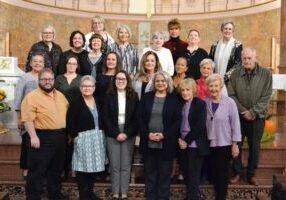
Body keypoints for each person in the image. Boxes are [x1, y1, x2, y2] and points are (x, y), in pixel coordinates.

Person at [21, 68, 69, 200]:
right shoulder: (31, 97)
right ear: (39, 80)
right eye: (44, 79)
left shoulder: (60, 95)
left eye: (50, 79)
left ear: (54, 80)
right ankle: (33, 197)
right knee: (37, 171)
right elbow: (27, 119)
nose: (47, 82)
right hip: (41, 137)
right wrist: (33, 136)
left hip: (59, 138)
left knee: (56, 170)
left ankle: (54, 195)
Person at [228, 48, 272, 186]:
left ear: (255, 58)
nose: (246, 61)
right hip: (239, 117)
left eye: (249, 58)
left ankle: (251, 174)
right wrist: (243, 111)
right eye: (244, 58)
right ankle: (237, 172)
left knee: (254, 146)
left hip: (257, 117)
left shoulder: (266, 74)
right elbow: (231, 95)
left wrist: (253, 112)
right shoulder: (235, 74)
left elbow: (266, 97)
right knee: (237, 144)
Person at [138, 70, 181, 200]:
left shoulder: (174, 99)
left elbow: (177, 122)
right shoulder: (147, 97)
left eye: (163, 81)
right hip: (148, 142)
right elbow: (139, 118)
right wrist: (147, 134)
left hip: (166, 143)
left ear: (168, 83)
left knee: (164, 174)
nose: (160, 83)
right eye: (157, 81)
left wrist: (164, 135)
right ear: (154, 83)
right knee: (150, 174)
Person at [67, 75, 105, 200]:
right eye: (84, 86)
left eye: (90, 86)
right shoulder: (76, 102)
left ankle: (90, 193)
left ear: (94, 88)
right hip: (83, 139)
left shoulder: (98, 100)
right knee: (83, 170)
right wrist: (74, 136)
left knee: (93, 169)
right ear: (80, 88)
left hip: (97, 138)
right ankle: (83, 196)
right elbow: (70, 121)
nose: (87, 88)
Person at [103, 70, 139, 199]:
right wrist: (116, 133)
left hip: (128, 132)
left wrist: (126, 133)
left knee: (125, 164)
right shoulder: (108, 95)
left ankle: (123, 192)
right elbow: (105, 117)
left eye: (123, 79)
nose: (120, 81)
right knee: (114, 164)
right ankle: (115, 192)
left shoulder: (133, 96)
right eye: (118, 79)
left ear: (127, 81)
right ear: (114, 80)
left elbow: (136, 117)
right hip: (113, 132)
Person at [205, 73, 241, 200]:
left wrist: (235, 144)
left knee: (222, 173)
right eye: (211, 86)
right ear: (207, 88)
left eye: (216, 85)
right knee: (214, 172)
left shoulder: (229, 102)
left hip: (225, 143)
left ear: (221, 86)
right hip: (210, 143)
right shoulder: (206, 103)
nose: (213, 88)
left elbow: (235, 123)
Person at [177, 78, 209, 200]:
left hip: (195, 145)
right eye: (183, 90)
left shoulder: (200, 104)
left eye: (188, 90)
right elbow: (177, 124)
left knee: (194, 175)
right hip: (182, 144)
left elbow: (199, 126)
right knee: (186, 174)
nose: (185, 93)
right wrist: (180, 139)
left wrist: (186, 141)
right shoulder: (181, 104)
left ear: (193, 90)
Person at [14, 52, 45, 180]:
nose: (37, 63)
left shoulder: (46, 77)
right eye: (35, 61)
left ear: (44, 64)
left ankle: (39, 173)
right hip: (27, 118)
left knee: (39, 145)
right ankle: (27, 172)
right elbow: (18, 99)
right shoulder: (24, 78)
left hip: (42, 119)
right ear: (31, 63)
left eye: (40, 61)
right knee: (28, 145)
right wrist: (19, 117)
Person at [209, 20, 242, 85]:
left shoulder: (237, 45)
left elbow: (238, 64)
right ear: (222, 30)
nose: (227, 31)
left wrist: (225, 78)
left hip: (231, 81)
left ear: (233, 31)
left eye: (230, 29)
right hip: (215, 80)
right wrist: (214, 76)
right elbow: (210, 61)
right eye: (225, 28)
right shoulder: (215, 45)